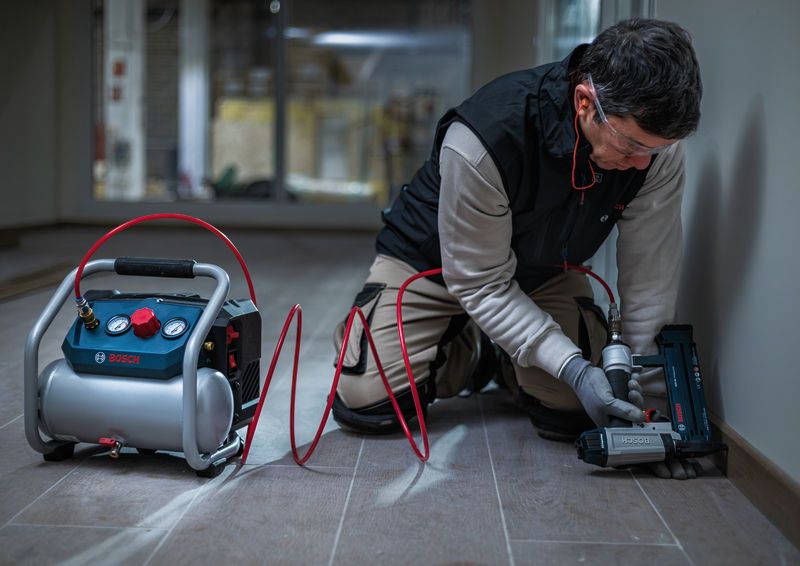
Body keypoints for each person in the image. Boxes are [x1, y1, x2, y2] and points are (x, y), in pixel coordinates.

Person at [331, 18, 703, 479]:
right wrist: (572, 367)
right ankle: (471, 352)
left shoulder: (655, 152)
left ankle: (510, 359)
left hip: (542, 270)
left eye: (655, 149)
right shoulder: (485, 136)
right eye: (630, 146)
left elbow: (650, 280)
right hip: (433, 263)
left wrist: (649, 412)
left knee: (577, 411)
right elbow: (481, 282)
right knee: (367, 400)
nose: (641, 163)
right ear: (586, 102)